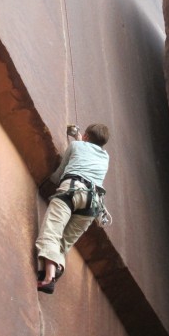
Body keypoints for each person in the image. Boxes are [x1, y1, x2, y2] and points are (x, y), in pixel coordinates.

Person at [36, 123, 110, 294]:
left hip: (71, 191)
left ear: (86, 136)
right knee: (63, 243)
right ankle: (54, 268)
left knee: (51, 233)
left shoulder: (76, 146)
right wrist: (78, 137)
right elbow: (86, 150)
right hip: (92, 205)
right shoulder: (105, 157)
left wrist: (45, 184)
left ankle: (48, 278)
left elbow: (60, 173)